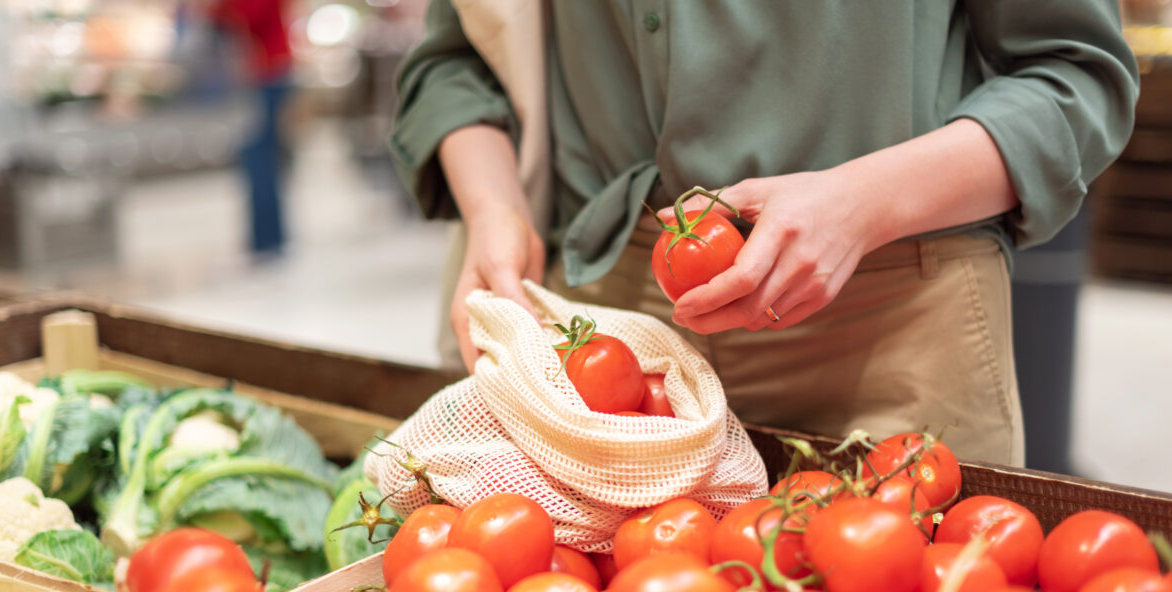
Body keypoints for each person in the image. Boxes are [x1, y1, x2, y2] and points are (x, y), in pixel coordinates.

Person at [389, 2, 1139, 466]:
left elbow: (1077, 75)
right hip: (607, 330)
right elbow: (459, 59)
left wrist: (864, 202)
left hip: (889, 326)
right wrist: (495, 209)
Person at [208, 0, 293, 258]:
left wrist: (216, 9)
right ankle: (265, 238)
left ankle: (267, 241)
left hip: (264, 74)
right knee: (259, 158)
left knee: (259, 158)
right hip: (263, 72)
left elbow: (249, 17)